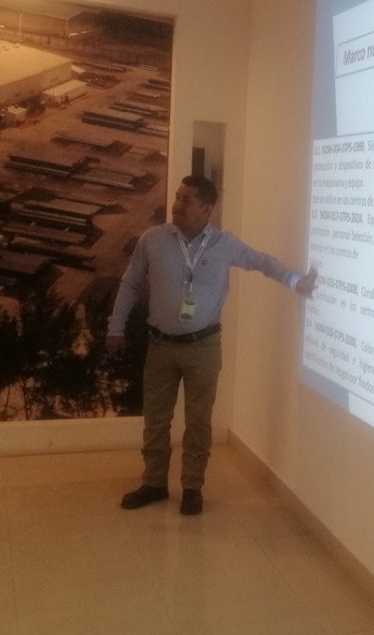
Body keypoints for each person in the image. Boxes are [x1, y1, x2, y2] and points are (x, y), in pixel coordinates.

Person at [108, 175, 316, 515]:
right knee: (156, 420)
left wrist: (295, 280)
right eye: (177, 197)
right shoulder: (153, 239)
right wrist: (115, 327)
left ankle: (192, 487)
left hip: (203, 347)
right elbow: (130, 284)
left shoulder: (224, 244)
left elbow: (262, 262)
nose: (177, 204)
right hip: (160, 346)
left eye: (186, 200)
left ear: (207, 209)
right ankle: (154, 483)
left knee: (199, 421)